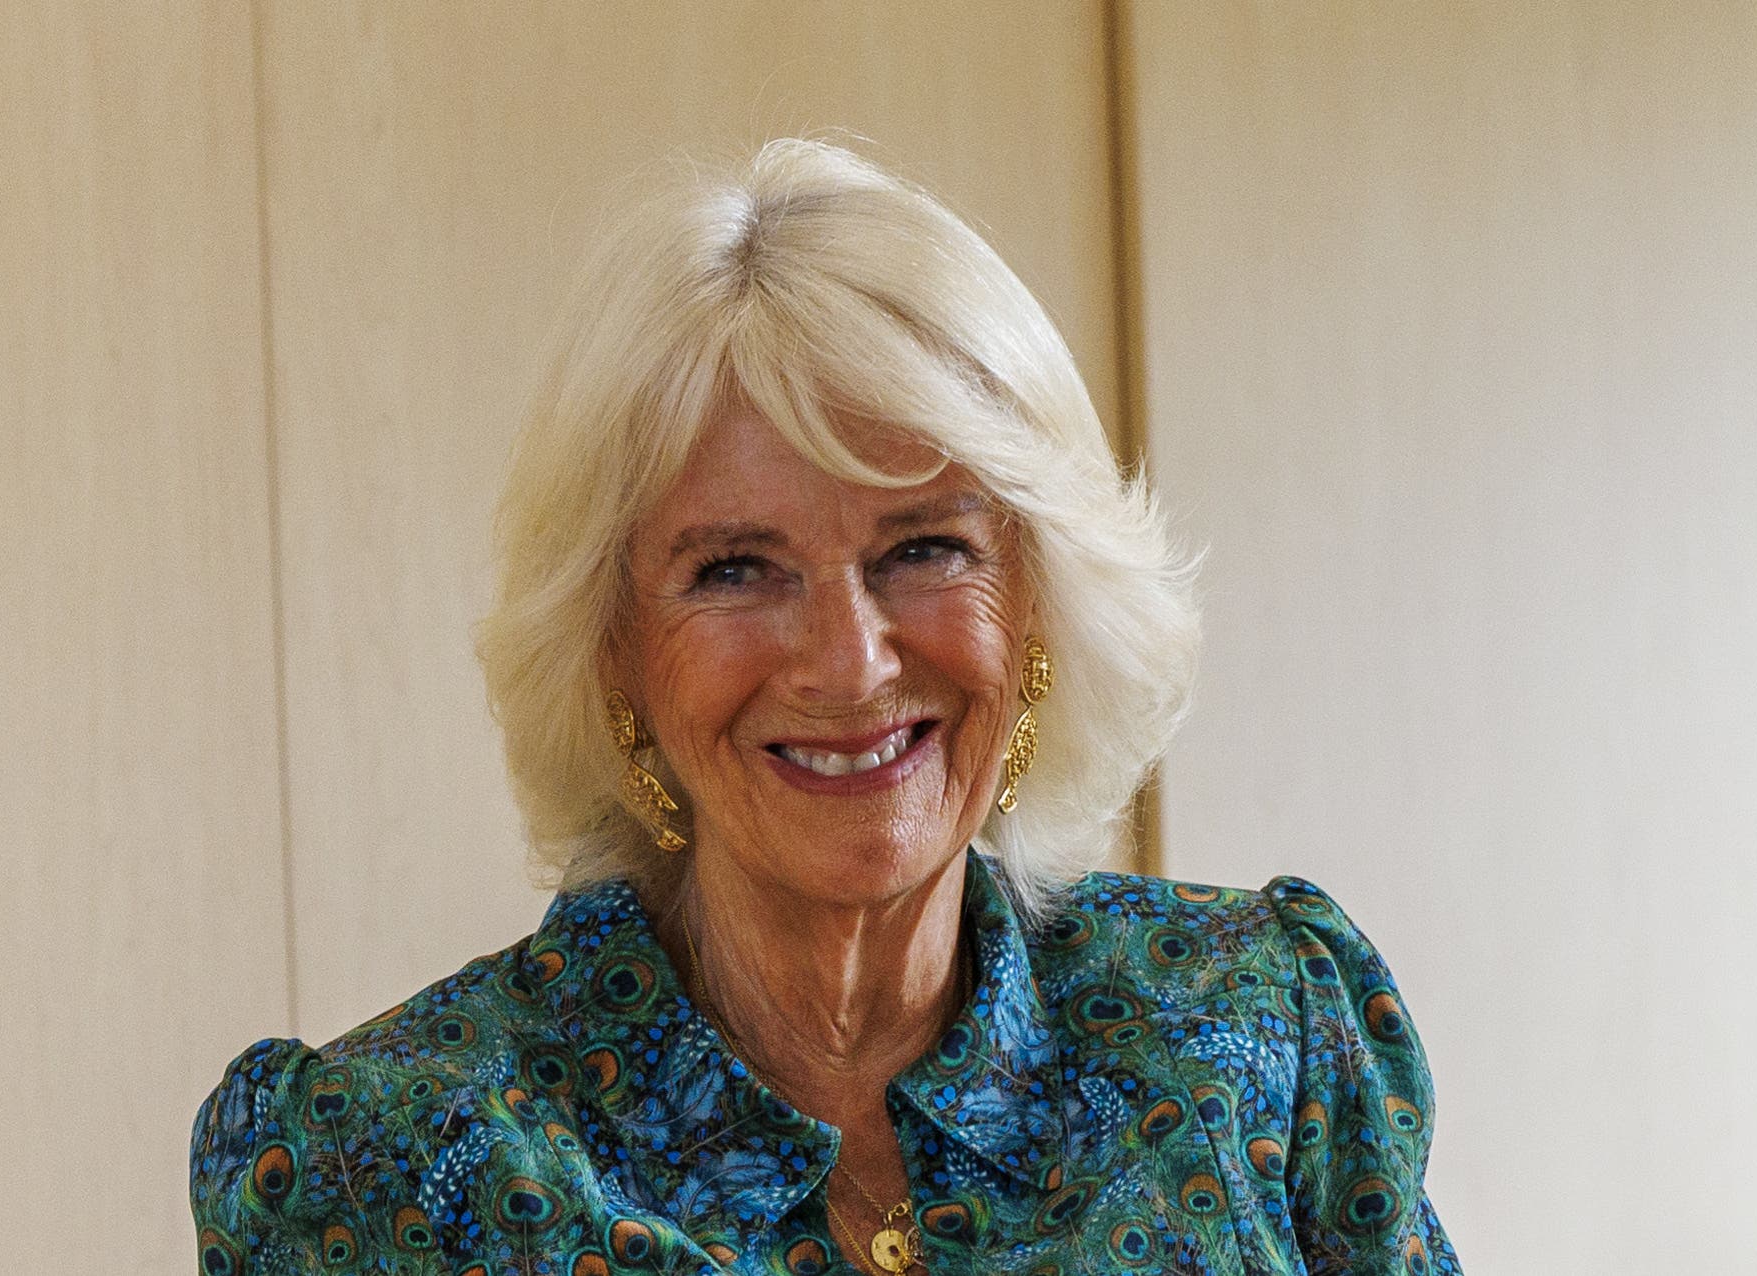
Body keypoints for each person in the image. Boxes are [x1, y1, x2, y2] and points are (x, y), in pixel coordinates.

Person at [191, 138, 1459, 1276]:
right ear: (615, 654)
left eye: (923, 549)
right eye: (735, 570)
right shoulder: (386, 1162)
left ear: (1036, 610)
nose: (850, 664)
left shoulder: (1261, 1033)